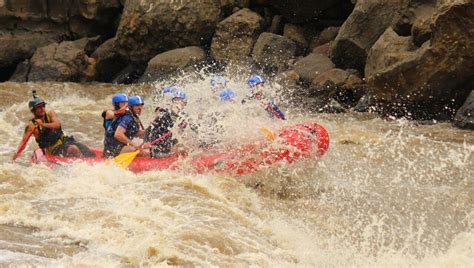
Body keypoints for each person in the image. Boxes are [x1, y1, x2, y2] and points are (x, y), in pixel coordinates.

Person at [22, 90, 95, 157]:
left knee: (89, 153)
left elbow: (57, 125)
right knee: (73, 149)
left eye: (43, 106)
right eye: (39, 107)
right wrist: (15, 157)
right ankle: (83, 165)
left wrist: (43, 124)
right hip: (53, 150)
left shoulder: (51, 114)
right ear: (33, 110)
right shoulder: (31, 125)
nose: (42, 109)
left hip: (65, 142)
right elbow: (23, 142)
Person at [144, 87, 189, 157]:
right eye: (177, 101)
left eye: (182, 102)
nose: (180, 105)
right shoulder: (164, 114)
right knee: (182, 150)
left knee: (184, 147)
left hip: (168, 144)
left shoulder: (180, 116)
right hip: (158, 147)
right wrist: (146, 142)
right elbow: (148, 129)